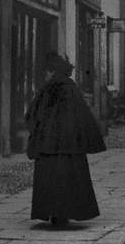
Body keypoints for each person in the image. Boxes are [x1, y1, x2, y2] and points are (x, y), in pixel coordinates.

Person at [26, 53, 106, 229]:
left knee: (51, 178)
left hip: (49, 144)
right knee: (70, 178)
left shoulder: (51, 88)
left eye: (46, 72)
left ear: (51, 71)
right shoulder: (71, 88)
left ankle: (54, 213)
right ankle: (67, 212)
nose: (45, 76)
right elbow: (83, 116)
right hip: (71, 145)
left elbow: (35, 113)